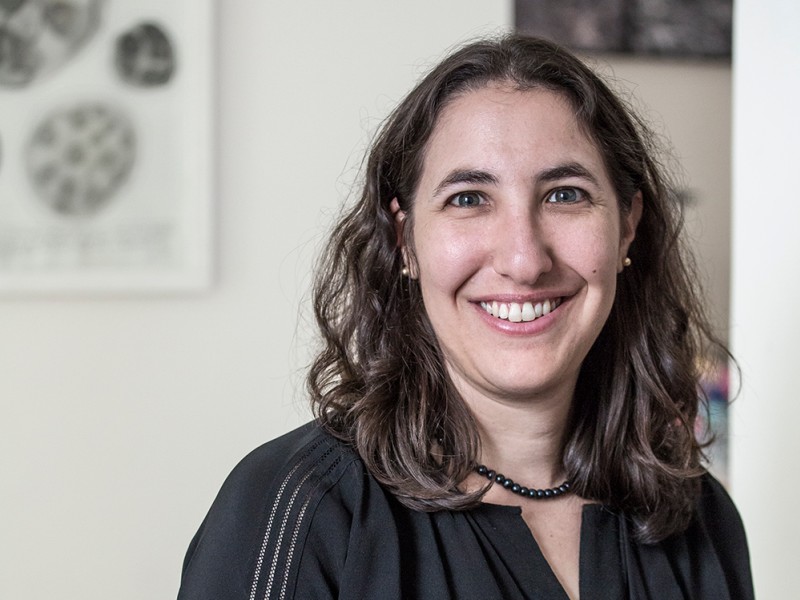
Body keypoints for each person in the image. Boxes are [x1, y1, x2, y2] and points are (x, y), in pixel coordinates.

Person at [177, 34, 753, 599]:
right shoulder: (300, 509)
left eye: (565, 195)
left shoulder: (698, 515)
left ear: (626, 226)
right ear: (405, 240)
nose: (524, 260)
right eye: (469, 199)